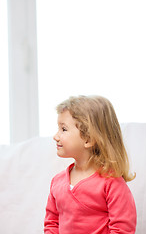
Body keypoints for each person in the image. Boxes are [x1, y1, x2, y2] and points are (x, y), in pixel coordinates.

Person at [44, 95, 136, 233]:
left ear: (88, 138)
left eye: (63, 129)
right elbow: (51, 224)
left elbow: (122, 229)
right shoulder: (57, 182)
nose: (55, 136)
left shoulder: (111, 183)